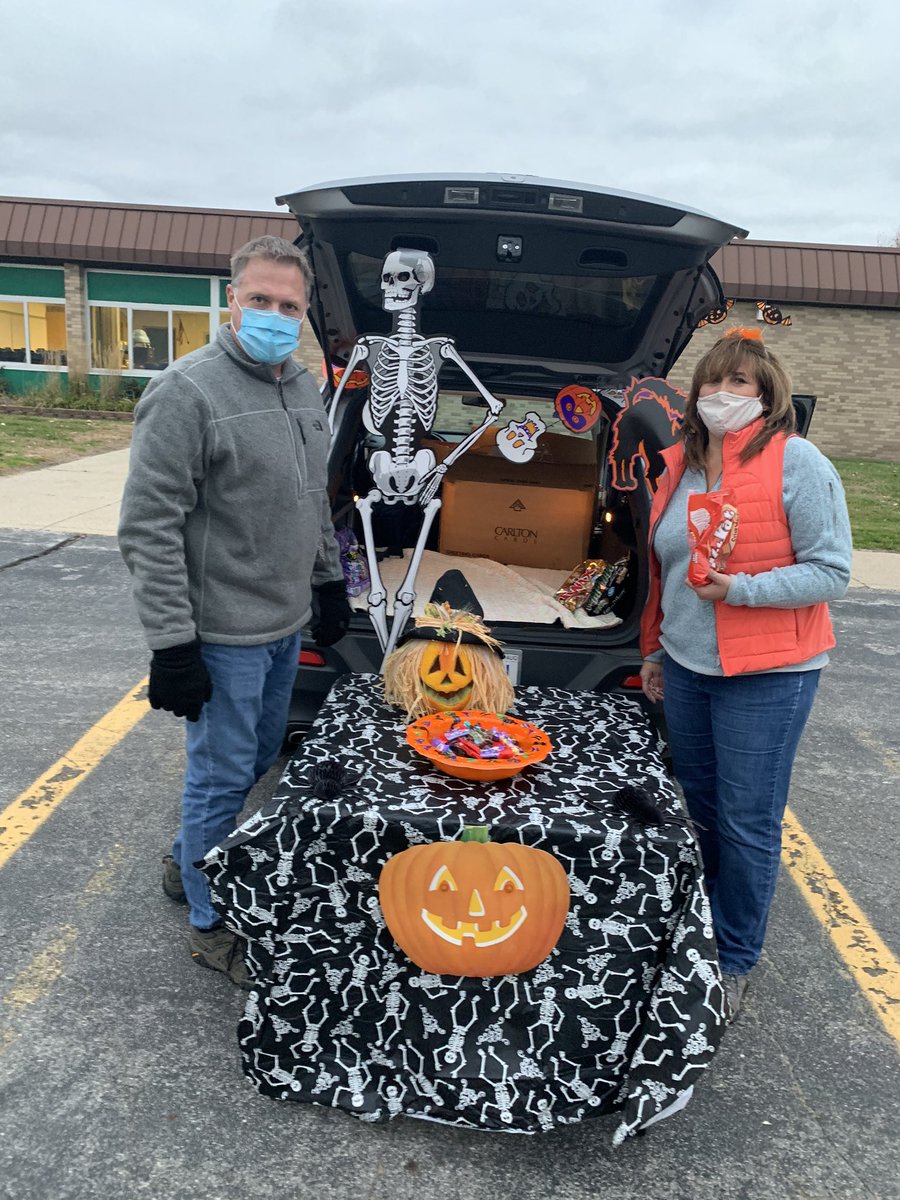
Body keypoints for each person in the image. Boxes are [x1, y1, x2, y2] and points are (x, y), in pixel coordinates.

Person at [119, 235, 352, 987]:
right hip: (221, 635)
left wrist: (327, 582)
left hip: (284, 626)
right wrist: (171, 645)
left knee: (255, 759)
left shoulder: (304, 387)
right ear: (232, 301)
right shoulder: (187, 392)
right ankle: (209, 922)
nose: (275, 316)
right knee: (220, 779)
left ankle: (188, 856)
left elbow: (313, 499)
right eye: (261, 300)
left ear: (305, 311)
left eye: (289, 305)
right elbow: (148, 526)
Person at [639, 326, 852, 1021]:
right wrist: (655, 649)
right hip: (687, 666)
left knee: (746, 821)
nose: (722, 393)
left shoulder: (797, 461)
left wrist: (742, 591)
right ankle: (697, 933)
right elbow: (666, 570)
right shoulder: (679, 466)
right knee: (699, 808)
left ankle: (733, 959)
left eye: (740, 383)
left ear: (767, 397)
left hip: (768, 674)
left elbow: (831, 571)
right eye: (714, 379)